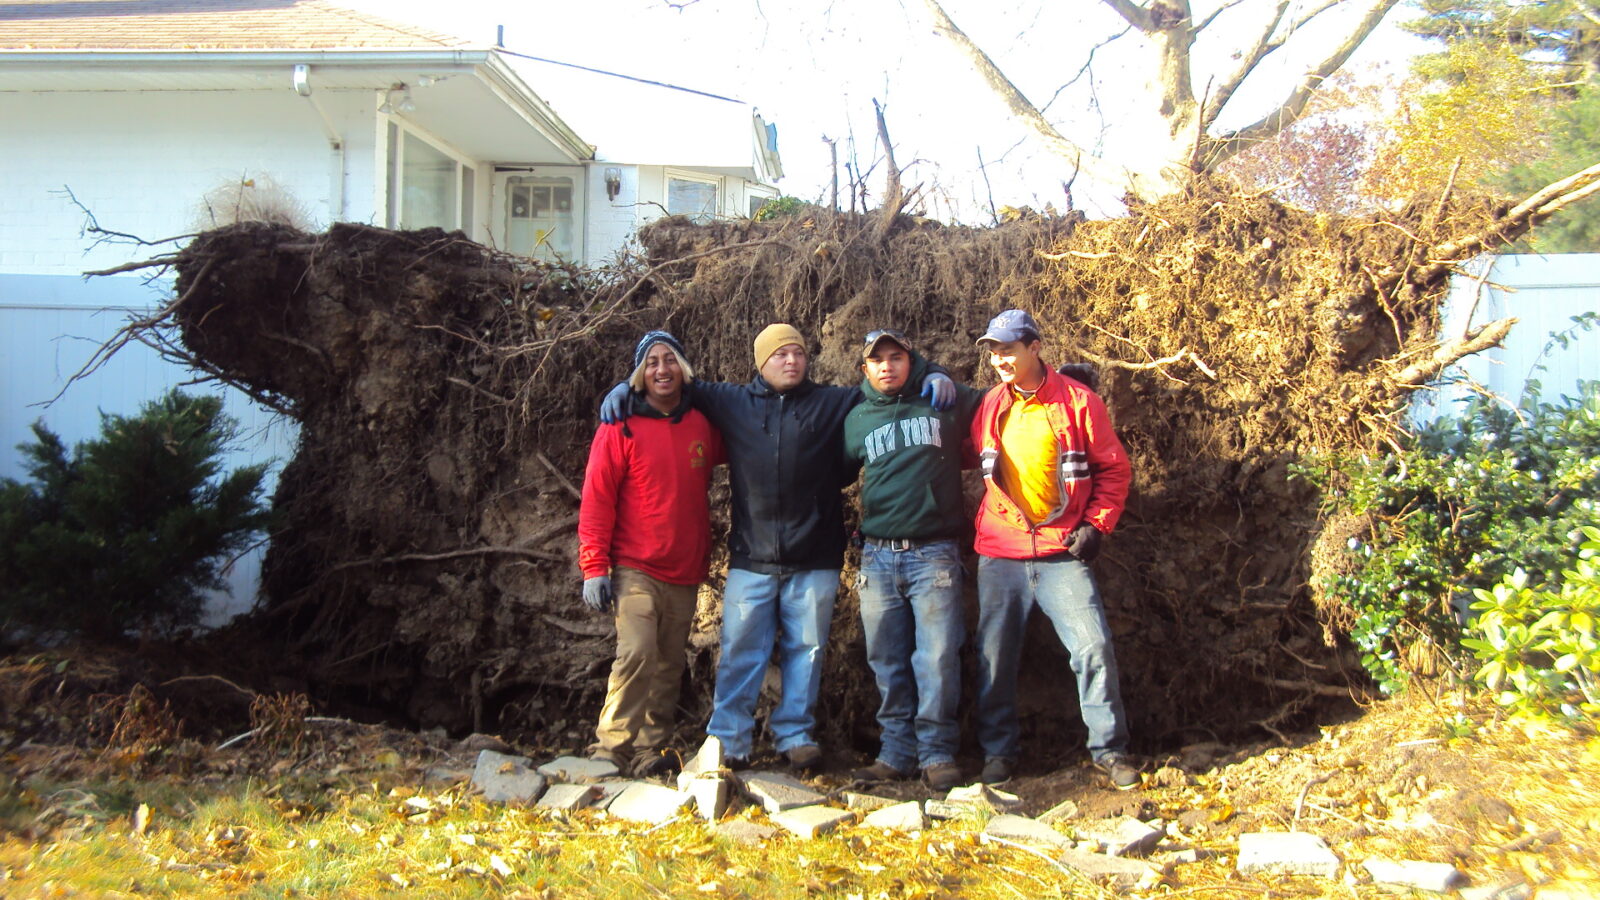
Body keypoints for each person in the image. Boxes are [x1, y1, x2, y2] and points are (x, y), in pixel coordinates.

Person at [600, 324, 955, 770]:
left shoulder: (833, 403)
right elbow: (670, 384)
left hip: (816, 559)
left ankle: (796, 735)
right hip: (752, 558)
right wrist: (623, 389)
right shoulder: (731, 402)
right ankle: (729, 740)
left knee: (806, 653)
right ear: (761, 362)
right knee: (740, 652)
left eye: (797, 354)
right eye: (780, 355)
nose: (790, 361)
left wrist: (935, 372)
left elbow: (887, 382)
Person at [969, 309, 1140, 790]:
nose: (1000, 358)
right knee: (994, 656)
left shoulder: (1080, 402)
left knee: (1093, 647)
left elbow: (1114, 471)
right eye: (994, 350)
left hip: (1062, 550)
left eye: (1008, 348)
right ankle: (997, 754)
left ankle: (1109, 750)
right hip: (1000, 551)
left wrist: (1097, 526)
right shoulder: (989, 405)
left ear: (1034, 347)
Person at [578, 330, 724, 778]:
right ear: (641, 373)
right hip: (634, 566)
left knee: (668, 662)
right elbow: (597, 497)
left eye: (670, 360)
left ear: (684, 369)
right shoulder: (619, 425)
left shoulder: (702, 424)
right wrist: (593, 566)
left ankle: (649, 749)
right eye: (652, 362)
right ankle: (611, 748)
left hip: (684, 569)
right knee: (637, 651)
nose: (662, 370)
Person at [843, 329, 983, 792]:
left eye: (896, 357)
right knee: (886, 659)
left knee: (938, 657)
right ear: (865, 369)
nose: (888, 366)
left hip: (934, 554)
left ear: (911, 360)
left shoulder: (945, 399)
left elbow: (1006, 400)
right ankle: (896, 752)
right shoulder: (857, 417)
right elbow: (833, 468)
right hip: (878, 559)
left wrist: (942, 376)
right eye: (877, 360)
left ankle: (937, 753)